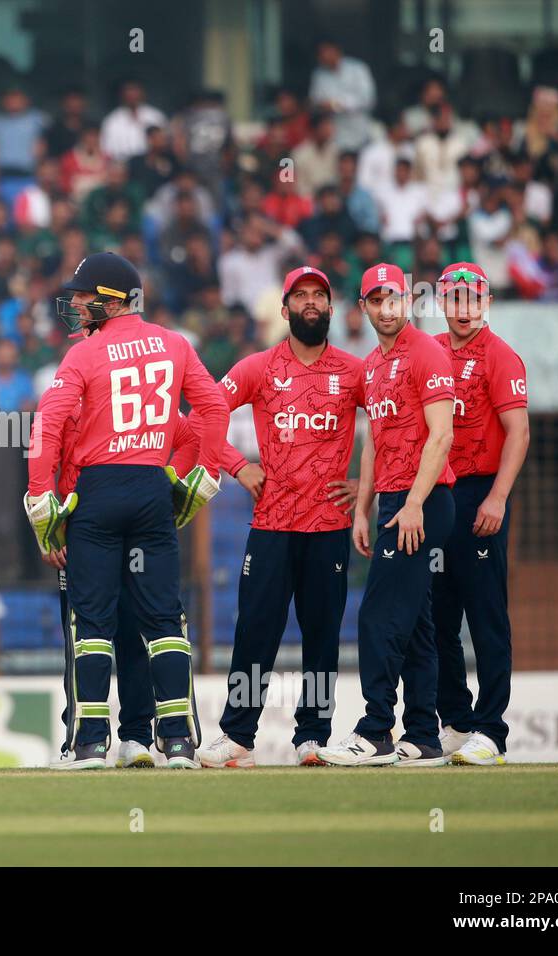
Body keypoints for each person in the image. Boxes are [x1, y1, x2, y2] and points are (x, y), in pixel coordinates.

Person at [24, 252, 230, 769]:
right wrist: (202, 475)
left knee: (91, 621)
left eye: (82, 294)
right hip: (150, 490)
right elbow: (214, 410)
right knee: (164, 618)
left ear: (110, 299)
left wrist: (39, 494)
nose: (74, 303)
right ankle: (178, 742)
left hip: (98, 492)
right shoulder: (176, 343)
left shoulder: (85, 355)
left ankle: (92, 744)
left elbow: (46, 425)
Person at [196, 267, 365, 769]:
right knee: (256, 632)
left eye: (320, 295)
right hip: (271, 525)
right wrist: (237, 465)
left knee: (322, 635)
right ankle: (238, 739)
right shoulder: (258, 368)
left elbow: (396, 424)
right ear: (285, 308)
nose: (311, 303)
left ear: (331, 309)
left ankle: (312, 736)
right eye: (301, 296)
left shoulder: (354, 372)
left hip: (328, 527)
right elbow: (203, 414)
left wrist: (367, 486)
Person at [318, 264, 456, 767]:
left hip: (423, 499)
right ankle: (423, 735)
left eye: (393, 297)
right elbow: (375, 440)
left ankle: (375, 730)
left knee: (379, 613)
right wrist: (363, 508)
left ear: (408, 299)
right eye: (375, 300)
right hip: (396, 501)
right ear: (364, 307)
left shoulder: (426, 352)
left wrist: (415, 503)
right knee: (416, 621)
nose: (385, 307)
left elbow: (442, 435)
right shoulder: (374, 363)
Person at [431, 263, 529, 765]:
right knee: (438, 614)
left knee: (485, 613)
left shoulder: (500, 356)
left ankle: (491, 730)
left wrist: (498, 497)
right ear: (442, 302)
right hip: (437, 494)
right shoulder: (429, 351)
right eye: (454, 298)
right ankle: (455, 721)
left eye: (473, 299)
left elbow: (519, 432)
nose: (464, 308)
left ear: (484, 303)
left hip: (480, 494)